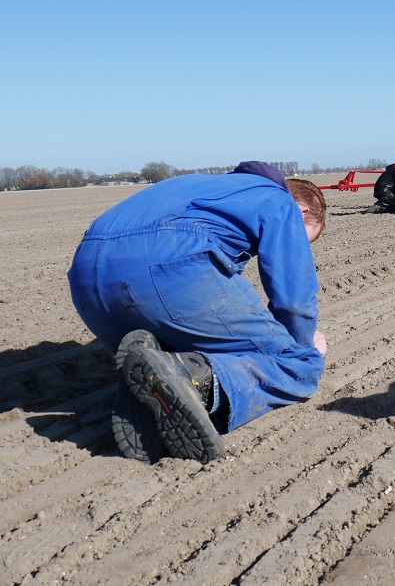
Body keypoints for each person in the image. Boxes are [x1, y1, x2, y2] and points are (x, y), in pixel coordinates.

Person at [68, 161, 329, 463]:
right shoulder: (279, 202)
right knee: (301, 367)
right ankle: (191, 380)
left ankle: (159, 379)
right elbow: (294, 299)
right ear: (304, 214)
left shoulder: (199, 184)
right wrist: (301, 345)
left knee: (193, 344)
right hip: (167, 274)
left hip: (88, 286)